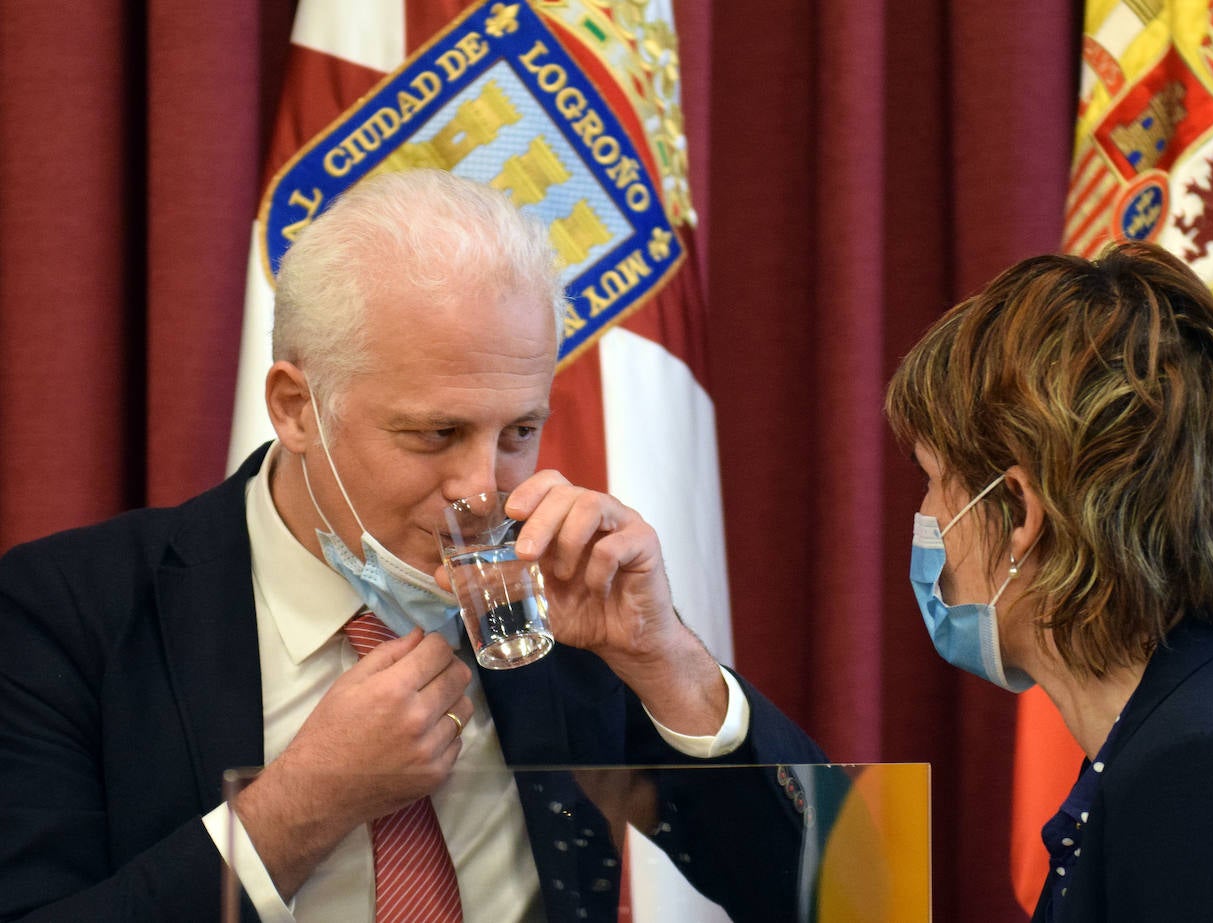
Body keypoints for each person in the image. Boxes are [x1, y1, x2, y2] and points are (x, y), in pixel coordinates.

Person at [0, 169, 824, 922]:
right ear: (295, 407)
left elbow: (832, 887)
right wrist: (298, 808)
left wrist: (667, 661)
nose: (482, 487)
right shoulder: (65, 613)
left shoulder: (560, 603)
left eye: (520, 431)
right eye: (436, 432)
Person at [884, 241, 1213, 921]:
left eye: (934, 481)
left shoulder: (1204, 774)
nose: (925, 518)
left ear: (1022, 511)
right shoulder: (1180, 731)